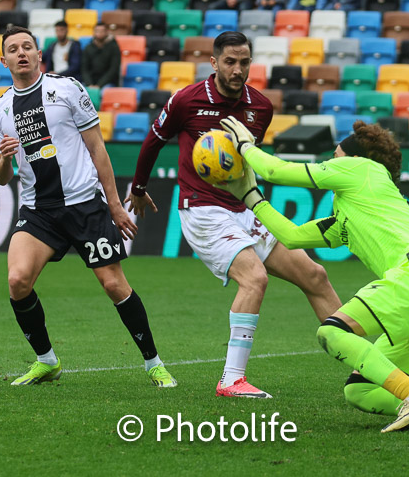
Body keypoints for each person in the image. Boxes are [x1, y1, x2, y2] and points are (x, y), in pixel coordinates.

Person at [217, 117, 409, 433]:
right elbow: (293, 237)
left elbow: (276, 171)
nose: (330, 164)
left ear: (352, 159)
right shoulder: (350, 210)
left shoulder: (362, 169)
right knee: (360, 391)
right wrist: (249, 195)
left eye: (334, 157)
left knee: (331, 333)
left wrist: (245, 147)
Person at [125, 31, 341, 399]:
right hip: (203, 211)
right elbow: (153, 141)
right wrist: (139, 188)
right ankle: (231, 380)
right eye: (230, 62)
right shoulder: (186, 100)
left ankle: (365, 362)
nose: (237, 69)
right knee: (254, 279)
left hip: (243, 209)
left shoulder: (261, 107)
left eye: (244, 62)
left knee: (315, 274)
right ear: (214, 63)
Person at [0, 26, 176, 387]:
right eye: (14, 49)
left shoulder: (67, 88)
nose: (21, 53)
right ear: (4, 60)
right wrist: (4, 161)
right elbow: (0, 176)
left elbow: (97, 149)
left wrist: (116, 206)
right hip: (38, 212)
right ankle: (47, 361)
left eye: (28, 46)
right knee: (17, 280)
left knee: (113, 285)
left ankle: (154, 363)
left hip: (84, 205)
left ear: (40, 54)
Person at [81, 22, 121, 89]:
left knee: (104, 93)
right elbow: (84, 69)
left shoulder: (114, 47)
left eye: (102, 31)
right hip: (90, 82)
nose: (99, 33)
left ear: (107, 32)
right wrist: (89, 84)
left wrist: (99, 85)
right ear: (94, 32)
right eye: (97, 31)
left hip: (108, 83)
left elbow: (113, 70)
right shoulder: (88, 48)